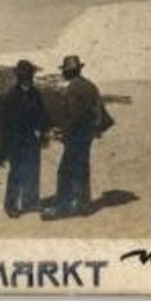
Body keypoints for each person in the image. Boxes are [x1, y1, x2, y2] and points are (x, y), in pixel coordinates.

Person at [45, 54, 106, 219]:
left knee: (65, 171)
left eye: (65, 70)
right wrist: (92, 129)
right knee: (82, 168)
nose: (64, 73)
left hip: (75, 135)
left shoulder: (73, 88)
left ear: (71, 71)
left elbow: (73, 115)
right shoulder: (91, 86)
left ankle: (63, 207)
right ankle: (84, 205)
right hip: (87, 134)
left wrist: (62, 131)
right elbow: (99, 112)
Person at [0, 59, 50, 217]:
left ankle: (31, 201)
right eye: (24, 77)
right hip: (17, 141)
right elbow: (9, 122)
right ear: (19, 77)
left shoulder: (36, 93)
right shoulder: (11, 96)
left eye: (30, 76)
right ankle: (11, 205)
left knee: (33, 170)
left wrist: (40, 129)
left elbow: (43, 114)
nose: (28, 79)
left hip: (33, 139)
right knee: (16, 173)